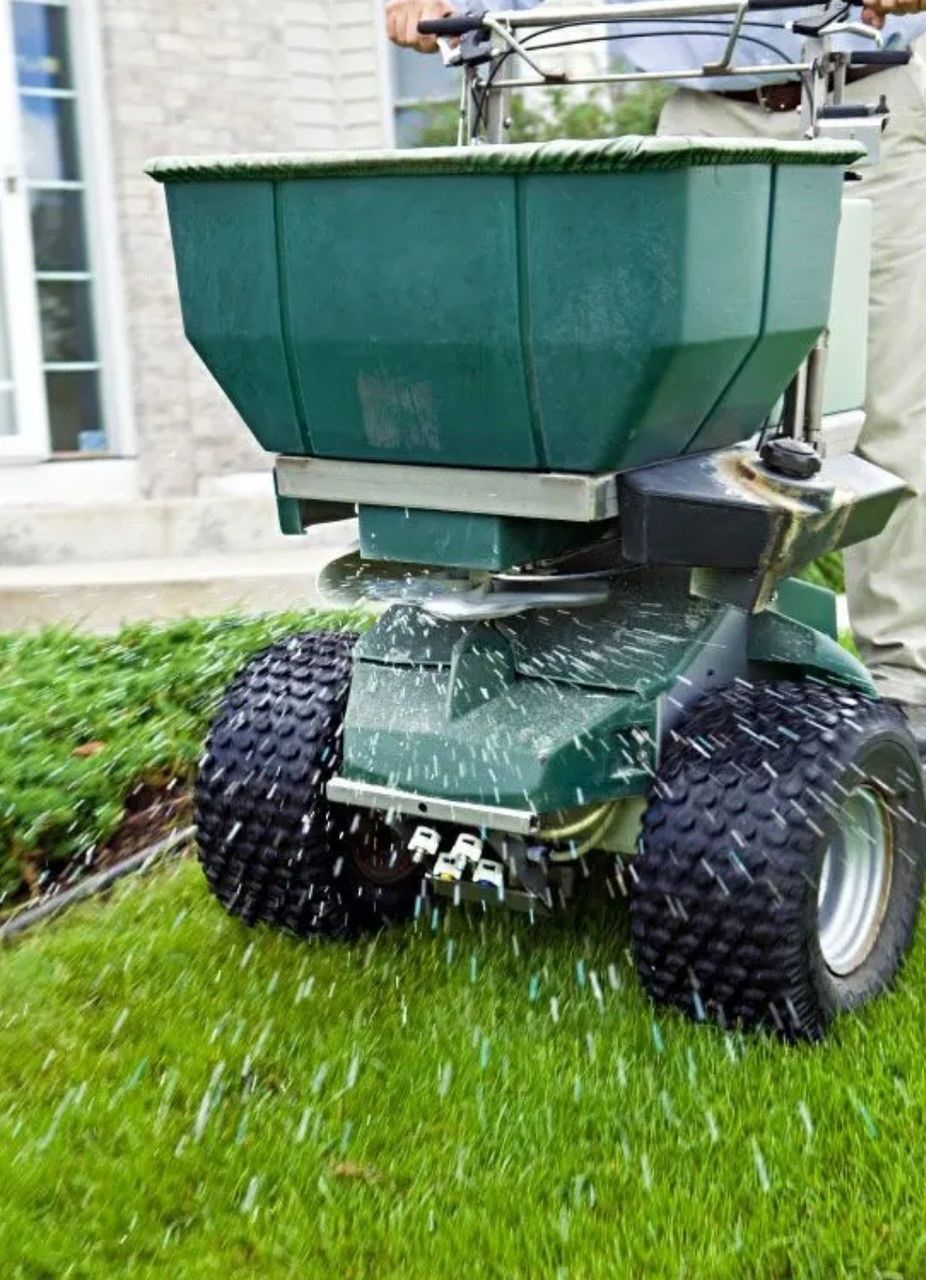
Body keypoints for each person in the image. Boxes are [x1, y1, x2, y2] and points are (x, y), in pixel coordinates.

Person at [385, 0, 926, 756]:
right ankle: (676, 667)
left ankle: (906, 693)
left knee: (896, 410)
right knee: (674, 418)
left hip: (865, 108)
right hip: (705, 110)